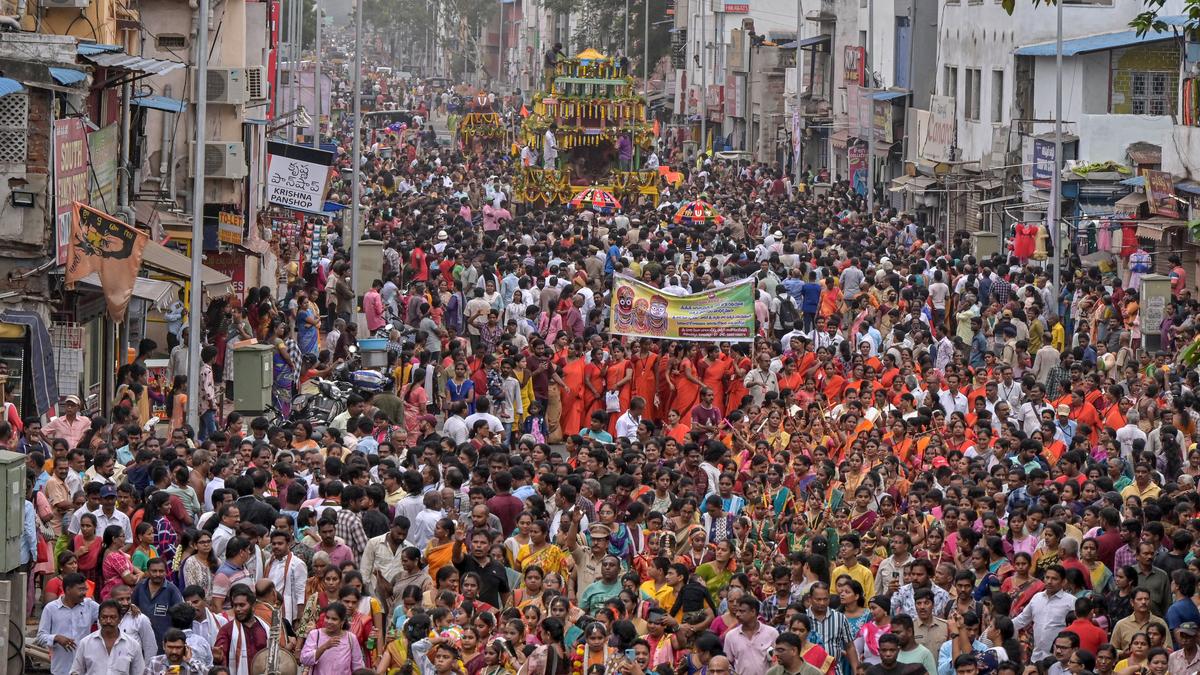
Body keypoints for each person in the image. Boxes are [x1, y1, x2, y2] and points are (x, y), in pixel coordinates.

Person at [69, 600, 144, 675]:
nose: (108, 621)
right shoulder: (85, 643)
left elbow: (139, 672)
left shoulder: (133, 645)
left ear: (120, 619)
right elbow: (76, 670)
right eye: (104, 617)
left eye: (113, 617)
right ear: (98, 618)